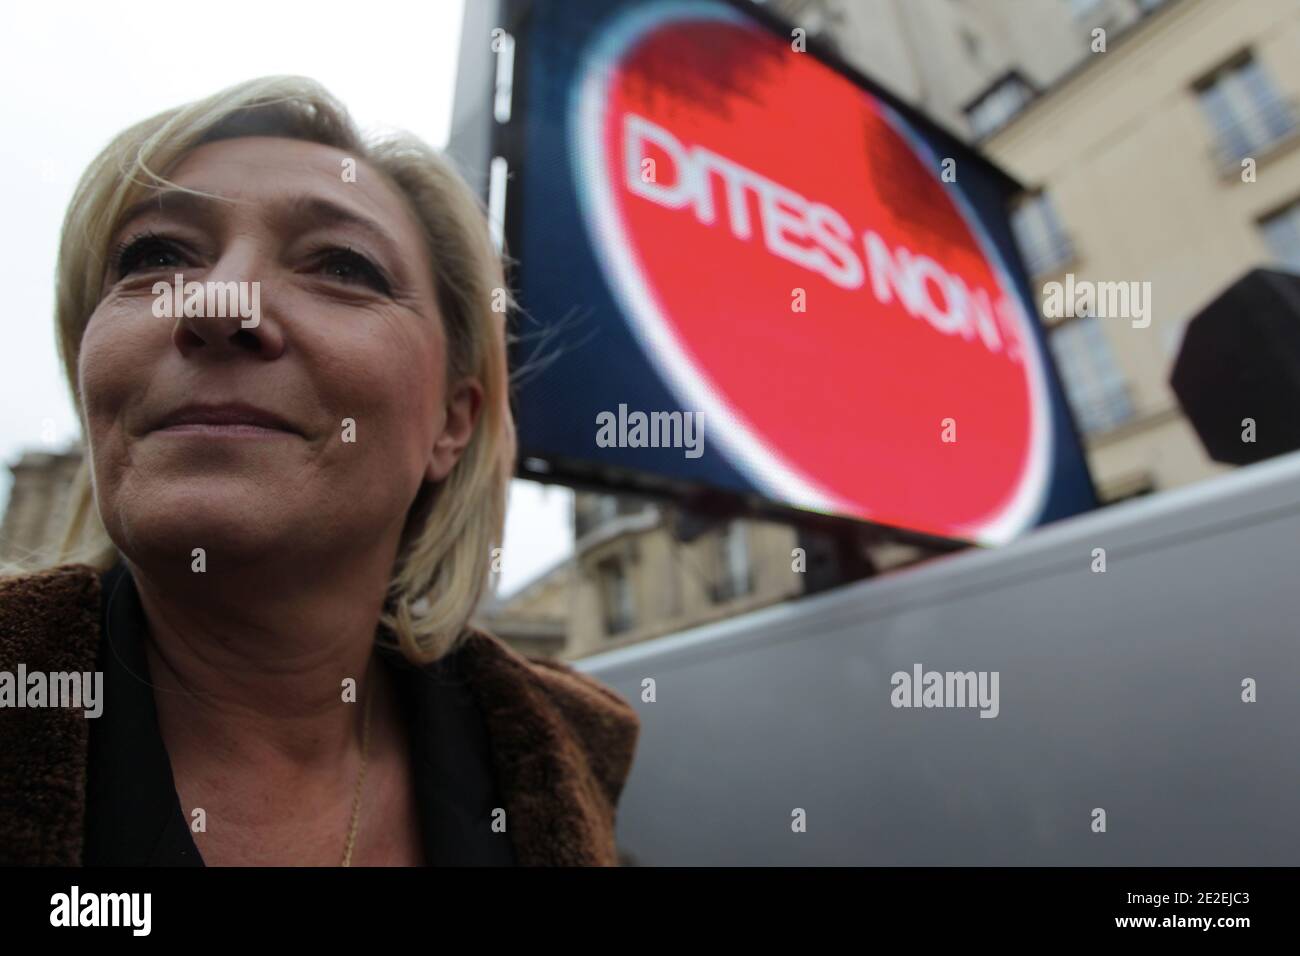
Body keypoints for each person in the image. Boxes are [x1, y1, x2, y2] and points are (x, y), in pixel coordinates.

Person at [0, 76, 639, 866]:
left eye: (341, 265)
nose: (215, 305)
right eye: (156, 255)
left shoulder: (561, 770)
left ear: (453, 420)